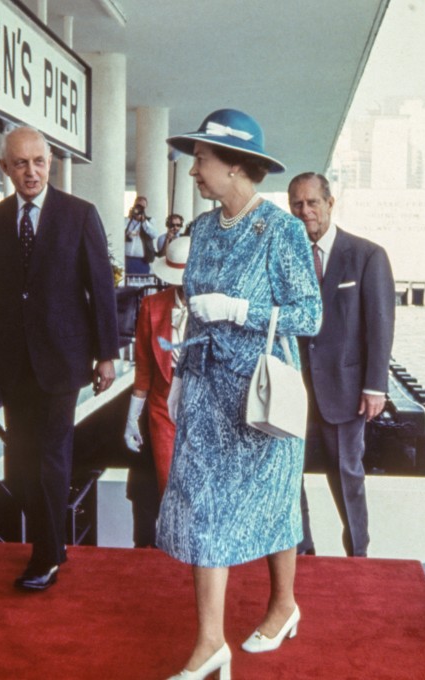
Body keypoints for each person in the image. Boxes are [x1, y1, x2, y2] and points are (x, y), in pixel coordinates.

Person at [156, 109, 322, 679]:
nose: (194, 168)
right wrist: (177, 377)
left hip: (261, 394)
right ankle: (210, 643)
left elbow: (311, 315)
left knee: (273, 500)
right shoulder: (201, 230)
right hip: (204, 386)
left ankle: (284, 605)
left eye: (203, 158)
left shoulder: (282, 230)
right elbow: (191, 311)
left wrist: (241, 310)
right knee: (202, 509)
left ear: (235, 167)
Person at [0, 125, 119, 592]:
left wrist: (107, 355)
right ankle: (54, 542)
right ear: (5, 168)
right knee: (19, 462)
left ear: (50, 163)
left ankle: (45, 557)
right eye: (20, 163)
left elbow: (101, 291)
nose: (30, 171)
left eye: (38, 162)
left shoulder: (79, 215)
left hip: (63, 359)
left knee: (51, 458)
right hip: (13, 363)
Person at [289, 172, 395, 558]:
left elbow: (380, 325)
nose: (305, 212)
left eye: (313, 203)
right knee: (288, 474)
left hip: (346, 389)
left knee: (348, 474)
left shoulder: (367, 255)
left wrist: (375, 386)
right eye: (297, 204)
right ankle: (303, 552)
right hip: (293, 388)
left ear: (330, 203)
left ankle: (358, 555)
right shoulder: (287, 254)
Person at [123, 236, 191, 547]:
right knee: (169, 490)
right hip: (162, 410)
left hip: (207, 411)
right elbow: (145, 371)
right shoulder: (152, 306)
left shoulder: (220, 306)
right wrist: (131, 419)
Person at [124, 195, 160, 274]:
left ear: (145, 208)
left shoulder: (150, 221)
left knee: (141, 283)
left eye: (142, 207)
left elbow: (154, 234)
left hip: (142, 260)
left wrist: (143, 221)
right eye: (137, 206)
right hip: (126, 259)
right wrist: (130, 217)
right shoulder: (127, 221)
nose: (139, 209)